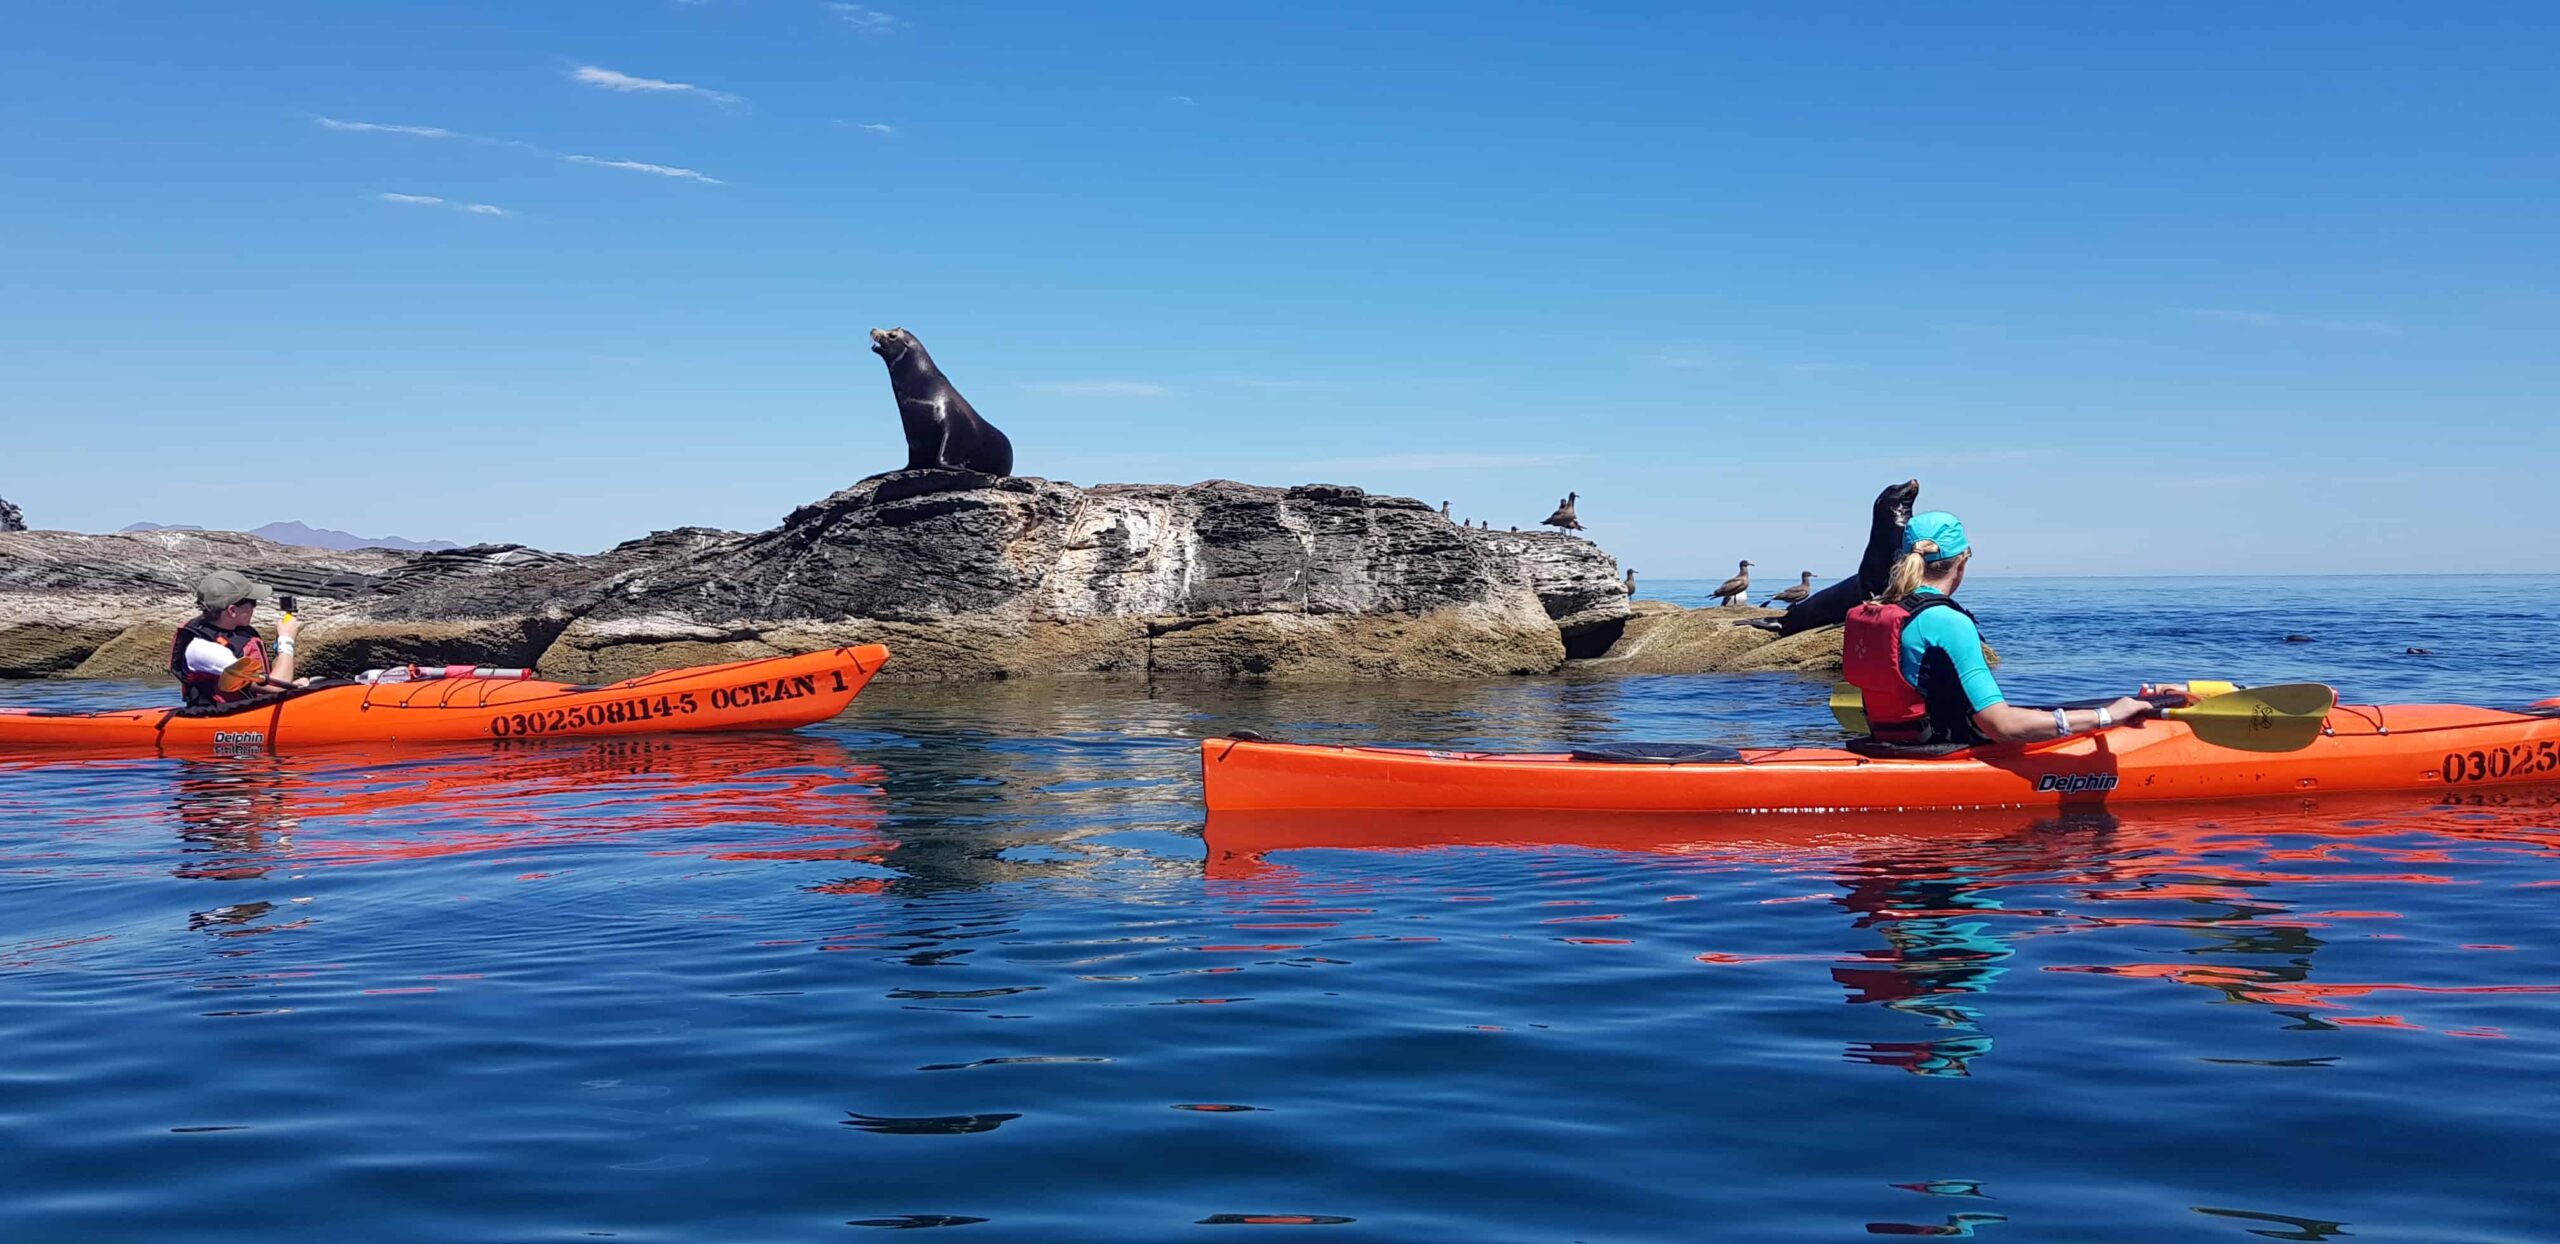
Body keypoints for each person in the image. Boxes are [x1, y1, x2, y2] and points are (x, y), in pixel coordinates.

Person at [1841, 511, 2157, 745]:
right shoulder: (1948, 622)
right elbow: (2002, 726)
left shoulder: (1879, 611)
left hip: (1890, 748)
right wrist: (2107, 716)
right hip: (1945, 755)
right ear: (1961, 563)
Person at [169, 570, 306, 707]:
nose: (254, 607)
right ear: (232, 610)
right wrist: (286, 640)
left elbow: (275, 680)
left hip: (251, 709)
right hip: (220, 719)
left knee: (316, 682)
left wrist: (291, 684)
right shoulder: (204, 649)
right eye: (252, 602)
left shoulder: (239, 632)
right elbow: (276, 688)